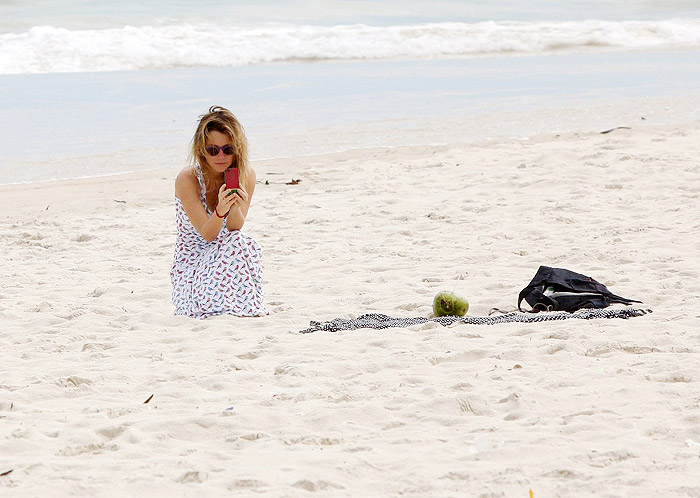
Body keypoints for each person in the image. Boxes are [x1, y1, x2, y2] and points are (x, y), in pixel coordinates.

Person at [171, 106, 268, 318]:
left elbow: (235, 227)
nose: (220, 156)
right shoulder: (188, 179)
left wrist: (233, 205)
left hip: (227, 254)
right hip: (194, 259)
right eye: (213, 150)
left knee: (242, 242)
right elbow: (207, 234)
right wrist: (220, 210)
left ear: (237, 149)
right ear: (201, 150)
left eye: (228, 149)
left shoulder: (246, 175)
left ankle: (241, 308)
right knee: (237, 244)